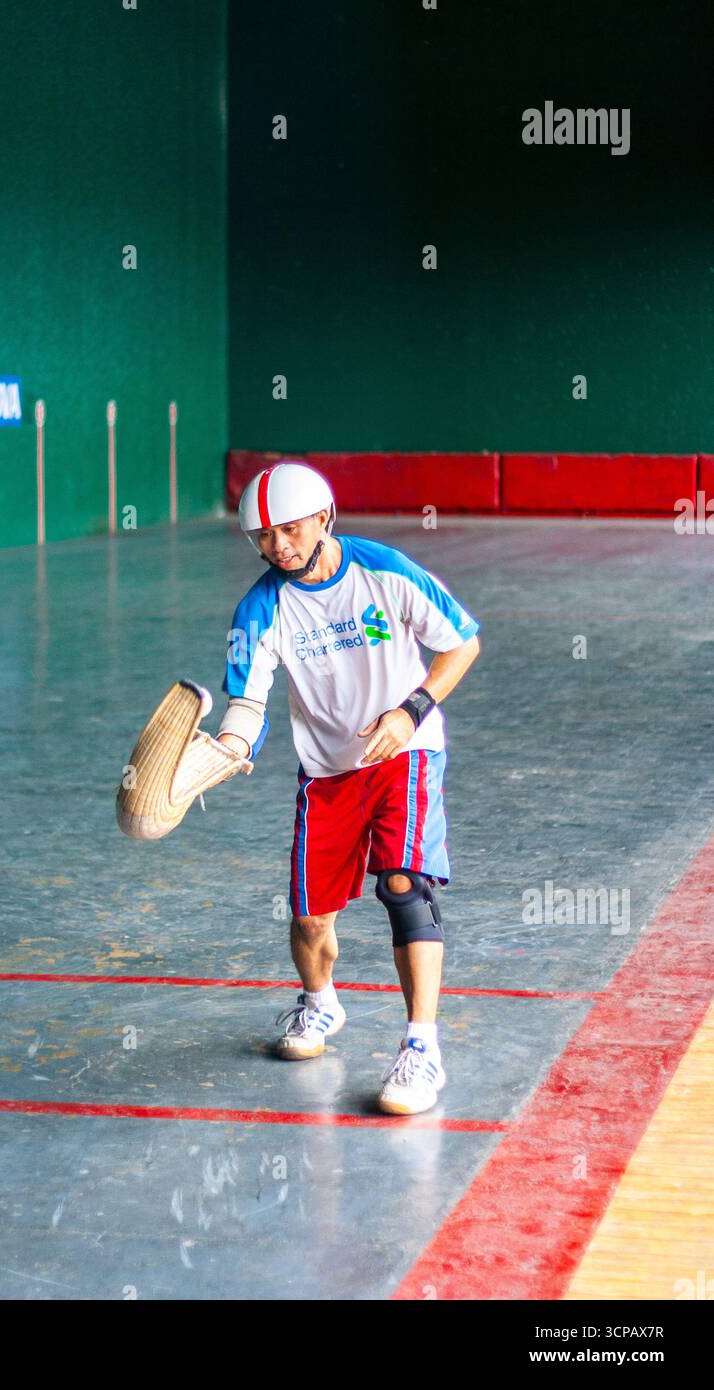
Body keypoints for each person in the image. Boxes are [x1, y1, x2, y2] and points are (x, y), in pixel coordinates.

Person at [216, 460, 480, 1114]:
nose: (278, 544)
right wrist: (233, 744)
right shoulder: (260, 607)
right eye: (263, 535)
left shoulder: (383, 570)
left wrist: (410, 710)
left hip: (405, 753)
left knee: (403, 884)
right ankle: (321, 1004)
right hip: (328, 772)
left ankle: (422, 1048)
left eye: (291, 527)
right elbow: (248, 700)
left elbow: (461, 643)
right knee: (310, 918)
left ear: (325, 518)